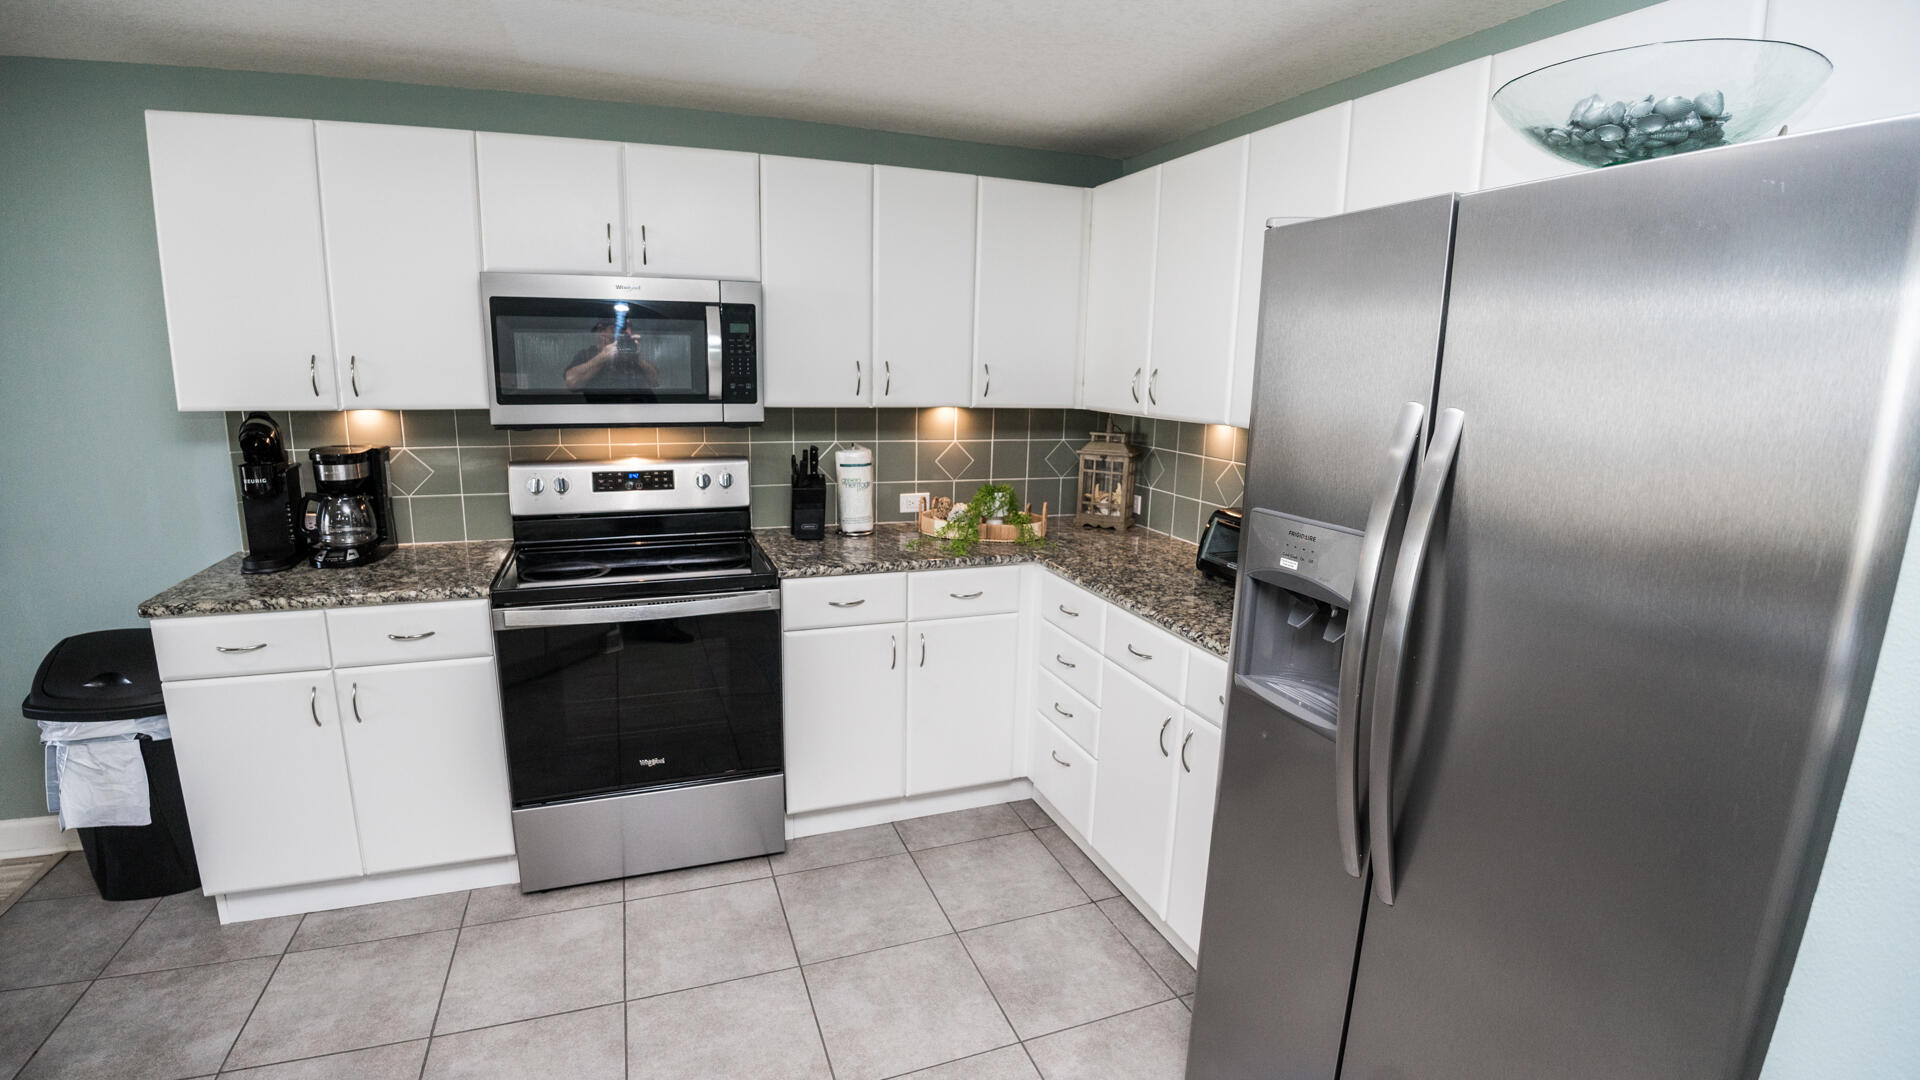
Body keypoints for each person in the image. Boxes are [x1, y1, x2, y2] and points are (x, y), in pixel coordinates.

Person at [564, 319, 660, 391]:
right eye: (618, 328)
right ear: (601, 332)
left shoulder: (633, 355)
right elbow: (571, 382)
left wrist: (637, 358)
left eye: (627, 329)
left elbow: (655, 381)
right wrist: (601, 357)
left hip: (637, 409)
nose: (625, 333)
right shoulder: (587, 354)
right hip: (596, 411)